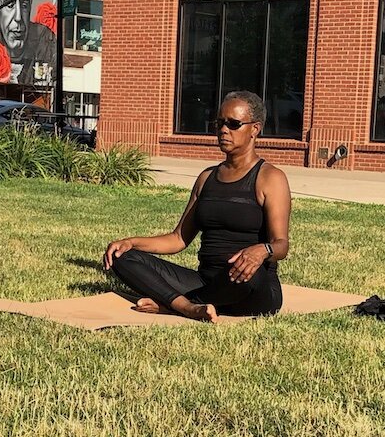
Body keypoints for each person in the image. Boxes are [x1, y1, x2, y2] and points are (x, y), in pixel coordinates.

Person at [103, 90, 291, 322]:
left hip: (251, 287)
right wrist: (131, 242)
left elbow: (281, 245)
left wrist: (263, 251)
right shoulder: (206, 178)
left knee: (249, 275)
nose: (224, 130)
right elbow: (178, 239)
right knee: (122, 257)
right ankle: (187, 306)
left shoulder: (270, 178)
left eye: (233, 124)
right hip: (206, 281)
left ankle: (173, 303)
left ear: (255, 129)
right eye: (219, 123)